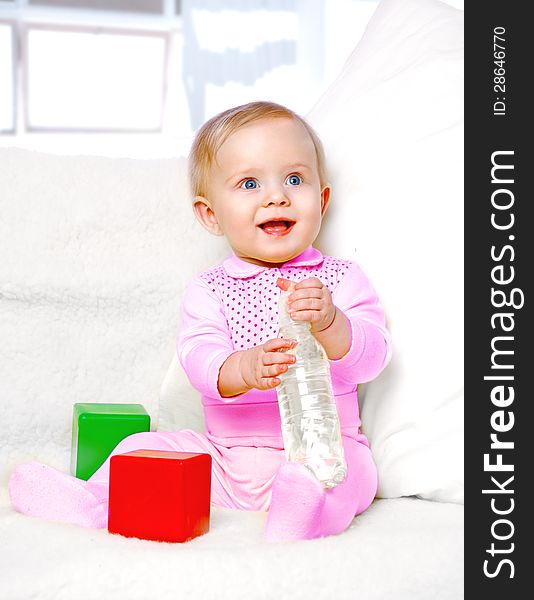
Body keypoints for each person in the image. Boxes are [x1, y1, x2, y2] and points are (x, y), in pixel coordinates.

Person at [9, 101, 391, 542]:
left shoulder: (339, 279)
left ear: (321, 199)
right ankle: (92, 501)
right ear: (211, 215)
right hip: (224, 461)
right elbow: (199, 358)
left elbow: (372, 358)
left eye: (294, 178)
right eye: (249, 183)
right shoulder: (210, 289)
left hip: (323, 450)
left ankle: (305, 515)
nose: (276, 196)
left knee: (355, 476)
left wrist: (331, 324)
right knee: (142, 446)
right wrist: (244, 367)